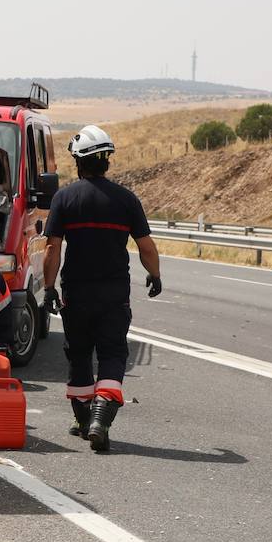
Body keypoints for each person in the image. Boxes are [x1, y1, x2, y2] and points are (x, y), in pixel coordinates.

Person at [40, 125, 162, 452]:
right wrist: (155, 275)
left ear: (78, 162)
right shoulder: (126, 200)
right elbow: (146, 247)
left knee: (78, 354)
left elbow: (53, 249)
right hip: (113, 293)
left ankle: (83, 421)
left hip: (75, 293)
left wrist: (49, 287)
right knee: (112, 353)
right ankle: (100, 421)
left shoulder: (65, 198)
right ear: (106, 161)